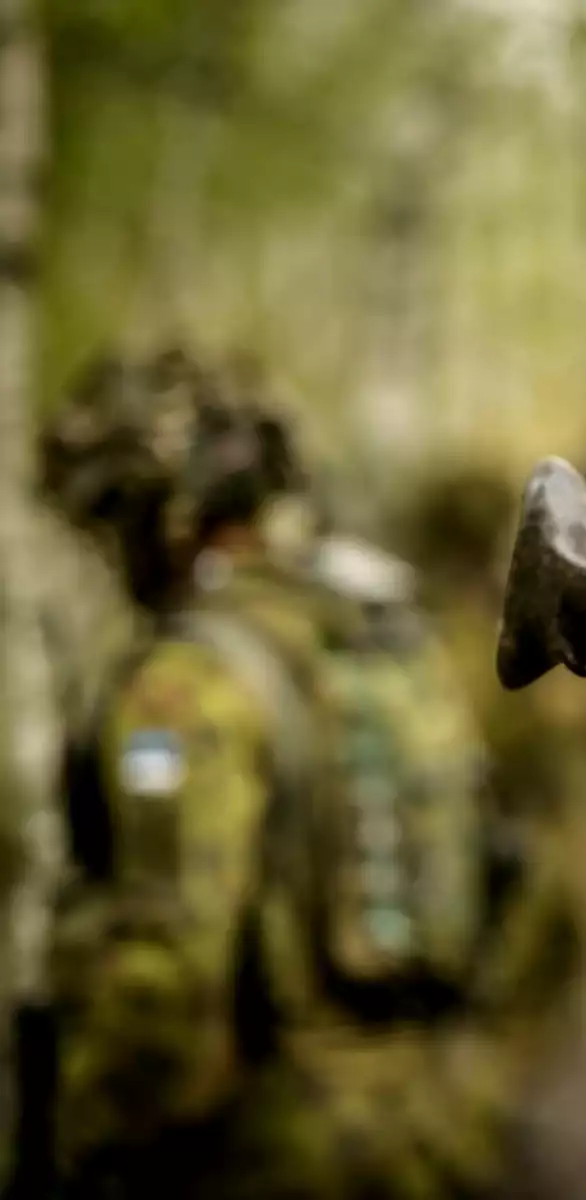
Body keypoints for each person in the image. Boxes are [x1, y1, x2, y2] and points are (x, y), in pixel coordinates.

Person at [36, 349, 507, 1199]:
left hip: (277, 1147)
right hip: (432, 1120)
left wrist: (85, 1140)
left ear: (163, 516)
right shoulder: (375, 628)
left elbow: (168, 969)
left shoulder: (187, 681)